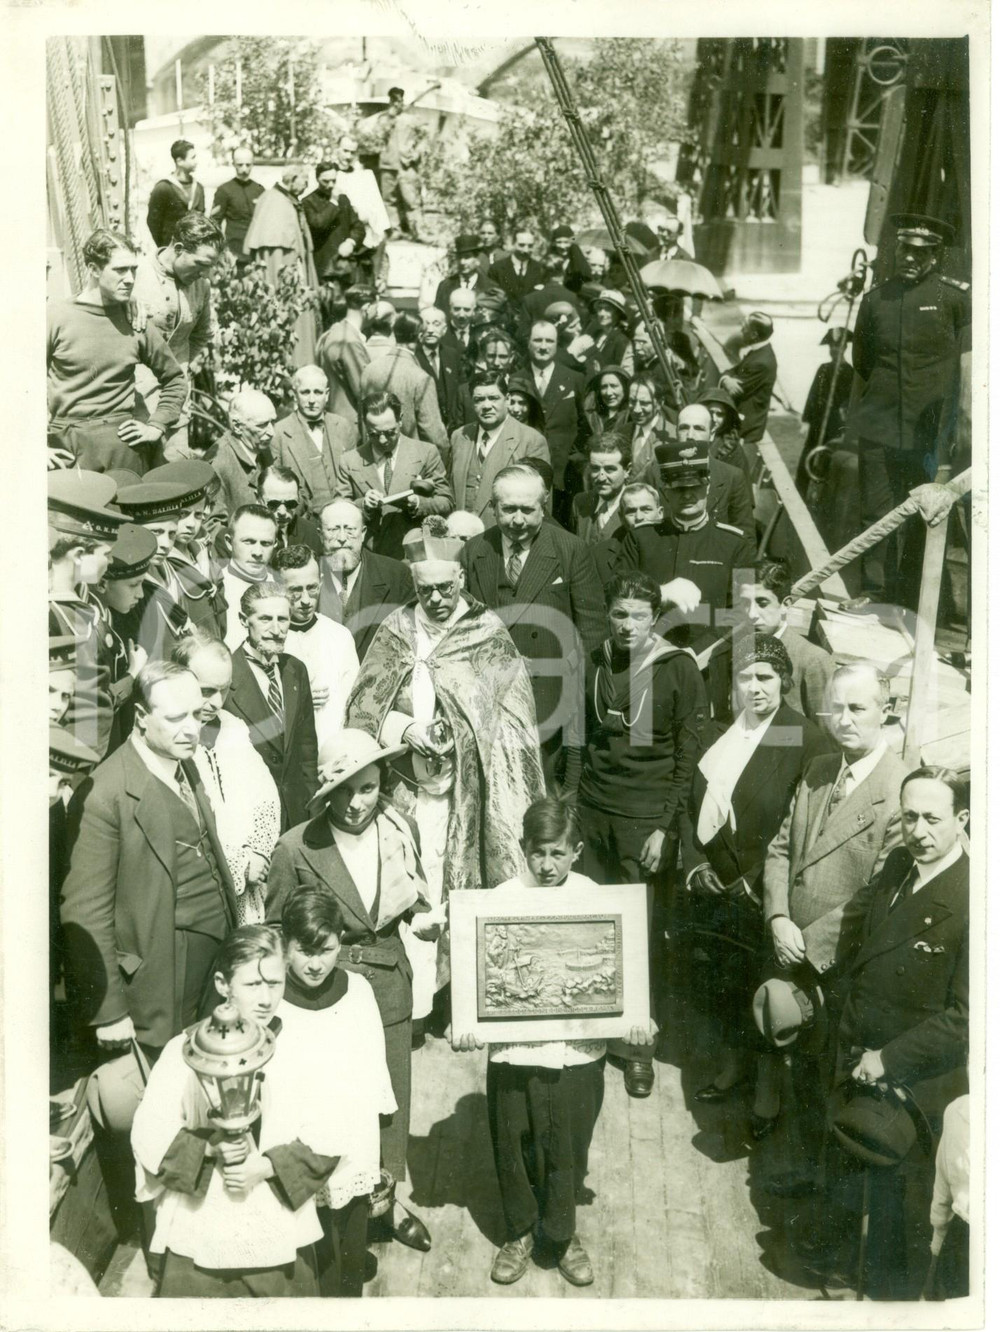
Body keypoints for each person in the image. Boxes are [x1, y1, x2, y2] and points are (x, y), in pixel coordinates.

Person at [453, 798, 655, 1287]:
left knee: (569, 1144)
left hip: (578, 1053)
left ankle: (562, 1232)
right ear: (523, 849)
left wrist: (635, 1021)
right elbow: (475, 969)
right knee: (513, 1138)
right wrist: (465, 1021)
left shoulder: (597, 899)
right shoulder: (499, 899)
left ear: (577, 851)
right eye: (538, 853)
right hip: (515, 1052)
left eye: (558, 854)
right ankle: (520, 1229)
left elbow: (621, 970)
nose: (547, 866)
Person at [794, 767, 969, 1298]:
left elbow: (966, 1016)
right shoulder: (899, 863)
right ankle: (843, 1265)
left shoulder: (975, 899)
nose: (920, 830)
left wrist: (889, 1059)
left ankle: (886, 1295)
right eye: (910, 816)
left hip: (914, 1074)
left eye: (934, 819)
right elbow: (859, 937)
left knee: (900, 1194)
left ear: (962, 820)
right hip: (857, 1047)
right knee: (849, 1157)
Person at [266, 731, 440, 1252]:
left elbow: (413, 893)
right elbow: (277, 930)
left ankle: (384, 1205)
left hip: (387, 984)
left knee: (388, 1102)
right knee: (331, 1102)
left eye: (367, 788)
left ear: (381, 782)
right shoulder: (297, 846)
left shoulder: (398, 828)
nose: (356, 803)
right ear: (327, 793)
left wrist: (423, 918)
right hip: (322, 996)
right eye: (343, 791)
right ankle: (331, 1216)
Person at [760, 661, 909, 1196]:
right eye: (836, 708)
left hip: (838, 967)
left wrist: (808, 944)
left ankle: (815, 1195)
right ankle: (795, 1173)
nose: (843, 720)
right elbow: (780, 849)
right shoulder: (820, 768)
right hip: (787, 945)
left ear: (885, 712)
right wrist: (778, 917)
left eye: (858, 708)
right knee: (794, 1073)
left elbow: (875, 893)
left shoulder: (898, 792)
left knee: (827, 1080)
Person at [346, 523, 546, 920]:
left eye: (445, 588)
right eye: (425, 590)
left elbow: (511, 723)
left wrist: (459, 734)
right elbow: (362, 707)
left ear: (461, 578)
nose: (435, 598)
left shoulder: (486, 632)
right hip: (400, 789)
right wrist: (405, 729)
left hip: (464, 791)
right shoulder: (396, 629)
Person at [130, 924, 337, 1297]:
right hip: (201, 1228)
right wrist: (209, 1148)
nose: (266, 998)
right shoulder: (185, 1051)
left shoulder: (303, 1049)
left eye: (274, 983)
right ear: (224, 984)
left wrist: (267, 1166)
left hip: (277, 1227)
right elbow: (149, 1132)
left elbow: (332, 1127)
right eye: (252, 985)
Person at [563, 573, 707, 1097]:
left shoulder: (677, 668)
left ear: (656, 617)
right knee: (593, 929)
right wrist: (573, 805)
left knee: (640, 937)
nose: (628, 626)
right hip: (595, 814)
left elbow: (687, 757)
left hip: (644, 819)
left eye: (640, 616)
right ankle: (594, 1033)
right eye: (620, 614)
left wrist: (666, 829)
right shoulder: (595, 659)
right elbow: (578, 737)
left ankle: (638, 1046)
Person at [681, 636, 829, 1127]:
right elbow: (690, 801)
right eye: (745, 677)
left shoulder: (802, 738)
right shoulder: (726, 730)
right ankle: (733, 1066)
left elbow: (799, 831)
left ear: (784, 682)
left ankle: (767, 1093)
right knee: (725, 984)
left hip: (761, 895)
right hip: (715, 887)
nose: (755, 687)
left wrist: (750, 883)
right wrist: (695, 866)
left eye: (765, 677)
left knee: (763, 994)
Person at [61, 660, 239, 1056]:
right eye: (176, 718)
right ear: (140, 717)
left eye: (197, 714)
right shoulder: (104, 792)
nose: (192, 728)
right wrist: (108, 1012)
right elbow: (85, 910)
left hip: (214, 963)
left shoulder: (183, 762)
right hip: (161, 975)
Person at [277, 888, 397, 1296]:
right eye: (303, 951)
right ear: (284, 946)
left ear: (340, 942)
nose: (315, 964)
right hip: (300, 1141)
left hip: (350, 1137)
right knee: (311, 1241)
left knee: (349, 1232)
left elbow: (374, 1062)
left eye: (325, 950)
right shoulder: (273, 1000)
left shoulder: (358, 991)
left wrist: (375, 1134)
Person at [850, 214, 971, 607]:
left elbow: (965, 366)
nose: (911, 259)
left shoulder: (953, 301)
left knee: (923, 516)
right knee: (874, 511)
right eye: (905, 249)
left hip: (926, 430)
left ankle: (909, 597)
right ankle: (873, 592)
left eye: (922, 253)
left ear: (936, 257)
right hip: (880, 424)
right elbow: (863, 361)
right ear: (896, 250)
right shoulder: (874, 300)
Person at [460, 464, 605, 789]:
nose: (517, 520)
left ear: (544, 506)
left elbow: (592, 631)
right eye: (508, 509)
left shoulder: (570, 550)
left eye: (528, 509)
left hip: (549, 704)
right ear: (494, 507)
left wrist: (582, 710)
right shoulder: (474, 551)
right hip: (489, 703)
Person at [47, 230, 187, 473]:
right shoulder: (56, 316)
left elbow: (175, 378)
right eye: (120, 270)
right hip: (66, 447)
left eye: (133, 269)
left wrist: (157, 424)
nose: (130, 279)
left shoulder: (136, 321)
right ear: (94, 269)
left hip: (123, 446)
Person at [171, 631, 281, 925]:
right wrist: (238, 864)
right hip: (204, 886)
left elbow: (265, 795)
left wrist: (258, 852)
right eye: (206, 691)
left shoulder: (233, 729)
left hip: (251, 878)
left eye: (225, 690)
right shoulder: (170, 739)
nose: (216, 702)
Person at [614, 434, 756, 653]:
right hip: (647, 658)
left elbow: (742, 615)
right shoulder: (641, 539)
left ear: (707, 488)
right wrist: (659, 593)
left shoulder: (734, 544)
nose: (688, 494)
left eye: (695, 486)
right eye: (679, 488)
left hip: (707, 663)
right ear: (666, 491)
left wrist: (698, 652)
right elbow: (616, 595)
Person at [224, 581, 318, 830]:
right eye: (265, 619)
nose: (276, 630)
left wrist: (311, 808)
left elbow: (307, 748)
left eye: (283, 620)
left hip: (297, 812)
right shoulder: (226, 675)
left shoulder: (295, 670)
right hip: (248, 816)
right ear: (244, 620)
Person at [47, 471, 128, 756]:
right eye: (105, 553)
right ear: (79, 555)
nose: (110, 560)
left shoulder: (79, 608)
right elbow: (82, 714)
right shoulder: (55, 616)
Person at [132, 213, 223, 463]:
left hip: (175, 403)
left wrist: (178, 367)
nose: (205, 273)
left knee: (175, 473)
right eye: (201, 263)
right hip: (133, 401)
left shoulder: (201, 287)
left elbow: (202, 333)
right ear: (179, 248)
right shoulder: (134, 276)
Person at [332, 390, 452, 560]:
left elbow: (446, 502)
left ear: (401, 420)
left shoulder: (425, 452)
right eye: (373, 434)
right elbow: (339, 510)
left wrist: (418, 504)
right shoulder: (350, 461)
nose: (382, 440)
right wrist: (364, 505)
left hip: (414, 554)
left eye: (389, 432)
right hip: (370, 556)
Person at [273, 544, 360, 751]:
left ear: (321, 581)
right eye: (294, 590)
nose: (305, 600)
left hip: (334, 751)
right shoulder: (269, 639)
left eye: (311, 588)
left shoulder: (339, 636)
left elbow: (354, 703)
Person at [448, 371, 549, 528]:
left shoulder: (532, 440)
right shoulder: (459, 437)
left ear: (507, 399)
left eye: (493, 398)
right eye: (479, 400)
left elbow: (541, 506)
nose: (487, 406)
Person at [315, 499, 412, 662]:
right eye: (333, 530)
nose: (342, 538)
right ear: (319, 534)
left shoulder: (397, 576)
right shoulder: (305, 577)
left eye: (350, 530)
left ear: (363, 533)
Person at [243, 166, 319, 368]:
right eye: (304, 181)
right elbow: (276, 256)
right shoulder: (275, 202)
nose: (306, 187)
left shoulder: (285, 200)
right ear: (293, 179)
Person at [144, 461, 227, 639]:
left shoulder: (204, 550)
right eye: (183, 514)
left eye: (198, 515)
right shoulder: (160, 561)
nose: (191, 524)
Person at [648, 403, 755, 535]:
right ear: (676, 432)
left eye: (699, 428)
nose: (690, 435)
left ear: (711, 434)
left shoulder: (732, 477)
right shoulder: (655, 473)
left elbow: (745, 535)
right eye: (684, 428)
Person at [525, 321, 589, 524]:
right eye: (538, 340)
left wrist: (573, 456)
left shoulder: (574, 379)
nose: (543, 346)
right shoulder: (516, 378)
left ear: (557, 344)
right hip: (527, 471)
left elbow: (585, 422)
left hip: (563, 476)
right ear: (528, 343)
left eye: (549, 341)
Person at [272, 365, 358, 512]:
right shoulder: (279, 432)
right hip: (302, 522)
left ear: (327, 395)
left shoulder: (343, 426)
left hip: (341, 516)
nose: (312, 400)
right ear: (294, 394)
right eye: (305, 392)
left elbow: (355, 478)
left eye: (318, 392)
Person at [359, 310, 448, 450]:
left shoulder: (369, 369)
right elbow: (433, 433)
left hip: (373, 454)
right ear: (419, 336)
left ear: (393, 333)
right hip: (408, 460)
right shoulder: (421, 378)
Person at [795, 327, 854, 492]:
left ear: (844, 348)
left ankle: (822, 493)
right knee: (808, 455)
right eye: (831, 347)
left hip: (835, 423)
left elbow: (850, 403)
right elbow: (813, 395)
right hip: (817, 421)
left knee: (828, 457)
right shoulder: (823, 368)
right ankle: (801, 488)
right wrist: (806, 420)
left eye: (837, 347)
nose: (834, 350)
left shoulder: (850, 373)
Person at [210, 388, 277, 517]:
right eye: (262, 425)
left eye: (272, 422)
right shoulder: (218, 463)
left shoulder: (263, 448)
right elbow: (212, 525)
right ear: (237, 426)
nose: (271, 432)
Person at [219, 504, 278, 650]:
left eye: (266, 543)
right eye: (249, 542)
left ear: (275, 544)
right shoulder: (217, 589)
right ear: (229, 542)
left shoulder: (283, 588)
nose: (257, 552)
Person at [718, 311, 778, 452]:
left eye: (744, 328)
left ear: (754, 335)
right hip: (742, 427)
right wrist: (727, 379)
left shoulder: (761, 362)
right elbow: (732, 372)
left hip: (745, 430)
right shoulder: (759, 353)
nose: (741, 331)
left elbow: (734, 390)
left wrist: (726, 381)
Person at [316, 283, 374, 426]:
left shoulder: (335, 332)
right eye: (376, 307)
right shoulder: (349, 341)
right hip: (350, 422)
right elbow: (364, 390)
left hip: (336, 418)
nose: (377, 313)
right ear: (367, 308)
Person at [301, 160, 365, 283]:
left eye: (334, 181)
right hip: (323, 264)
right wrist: (333, 202)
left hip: (345, 262)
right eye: (325, 181)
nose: (330, 185)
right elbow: (318, 224)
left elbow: (358, 226)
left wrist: (351, 242)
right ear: (316, 179)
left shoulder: (343, 199)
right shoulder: (308, 202)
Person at [570, 434, 631, 544]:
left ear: (627, 470)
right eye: (595, 469)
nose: (601, 477)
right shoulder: (580, 502)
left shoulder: (636, 506)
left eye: (610, 469)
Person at [145, 139, 205, 249]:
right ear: (179, 161)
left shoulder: (198, 188)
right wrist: (164, 246)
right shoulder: (163, 187)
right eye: (192, 158)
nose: (196, 161)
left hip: (194, 249)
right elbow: (153, 222)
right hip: (171, 249)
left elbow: (202, 219)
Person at [415, 305, 465, 436]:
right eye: (425, 324)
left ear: (444, 329)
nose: (430, 330)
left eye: (436, 324)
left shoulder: (452, 354)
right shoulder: (413, 356)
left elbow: (461, 389)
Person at [209, 146, 264, 260]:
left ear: (253, 164)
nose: (244, 169)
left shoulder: (259, 189)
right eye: (240, 165)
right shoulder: (224, 190)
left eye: (248, 165)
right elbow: (215, 223)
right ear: (233, 164)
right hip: (234, 250)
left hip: (256, 249)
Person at [257, 465, 322, 557]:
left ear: (298, 499)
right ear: (258, 500)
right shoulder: (242, 534)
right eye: (273, 504)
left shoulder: (310, 532)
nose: (282, 512)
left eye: (290, 504)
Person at [435, 234, 502, 309]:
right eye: (459, 257)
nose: (462, 262)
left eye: (467, 257)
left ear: (477, 259)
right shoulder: (445, 286)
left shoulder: (490, 288)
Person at [699, 385, 751, 478]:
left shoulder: (732, 450)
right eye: (710, 412)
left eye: (719, 414)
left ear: (726, 419)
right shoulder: (690, 433)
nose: (714, 419)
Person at [628, 375, 674, 477]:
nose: (636, 409)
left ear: (660, 403)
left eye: (644, 403)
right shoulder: (622, 431)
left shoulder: (672, 436)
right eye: (632, 401)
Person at [488, 229, 544, 305]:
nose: (526, 250)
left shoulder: (541, 269)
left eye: (530, 246)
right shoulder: (496, 268)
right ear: (513, 244)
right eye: (521, 245)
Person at [587, 291, 633, 372]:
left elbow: (623, 371)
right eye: (600, 308)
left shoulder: (621, 340)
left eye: (608, 309)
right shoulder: (597, 334)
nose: (602, 313)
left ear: (618, 313)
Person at [584, 365, 632, 440]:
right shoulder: (590, 416)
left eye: (614, 386)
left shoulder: (632, 416)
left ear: (625, 388)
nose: (608, 393)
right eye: (604, 387)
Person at [547, 224, 592, 294]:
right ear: (554, 243)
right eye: (559, 242)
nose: (562, 246)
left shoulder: (579, 263)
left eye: (566, 242)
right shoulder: (548, 262)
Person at [442, 287, 478, 356]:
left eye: (467, 309)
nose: (461, 315)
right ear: (450, 309)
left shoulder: (478, 333)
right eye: (457, 309)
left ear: (474, 310)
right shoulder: (442, 333)